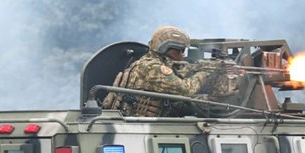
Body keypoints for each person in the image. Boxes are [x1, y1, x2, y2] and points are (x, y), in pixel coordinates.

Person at [102, 25, 238, 117]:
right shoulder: (153, 68)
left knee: (205, 103)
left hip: (140, 121)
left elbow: (179, 70)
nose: (182, 55)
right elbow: (186, 89)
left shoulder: (148, 62)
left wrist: (201, 66)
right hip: (139, 124)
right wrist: (205, 73)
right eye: (179, 50)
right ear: (165, 49)